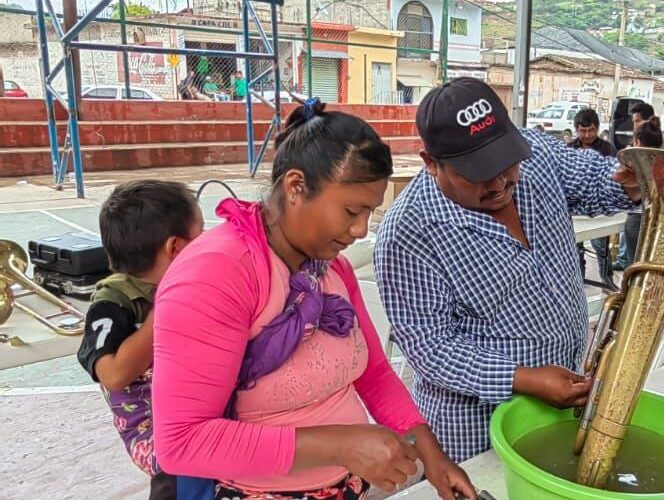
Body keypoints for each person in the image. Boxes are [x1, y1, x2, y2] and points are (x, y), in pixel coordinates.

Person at [152, 100, 475, 500]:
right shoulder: (217, 273)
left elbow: (373, 373)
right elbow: (182, 442)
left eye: (370, 213)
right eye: (351, 211)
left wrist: (433, 458)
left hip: (343, 487)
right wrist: (342, 445)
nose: (360, 230)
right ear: (295, 187)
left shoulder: (328, 268)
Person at [373, 77, 644, 462]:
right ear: (432, 163)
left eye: (506, 163)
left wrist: (631, 181)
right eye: (478, 172)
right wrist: (526, 379)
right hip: (472, 430)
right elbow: (432, 348)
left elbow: (595, 181)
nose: (501, 182)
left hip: (558, 405)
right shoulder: (409, 231)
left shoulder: (537, 156)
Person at [76, 180, 203, 500]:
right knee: (182, 478)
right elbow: (114, 374)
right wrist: (166, 307)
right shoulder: (113, 300)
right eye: (199, 238)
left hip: (195, 410)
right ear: (176, 247)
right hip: (156, 434)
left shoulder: (195, 284)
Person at [568, 108, 618, 289]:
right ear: (576, 130)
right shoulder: (569, 149)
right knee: (575, 247)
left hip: (599, 209)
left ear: (597, 129)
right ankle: (578, 282)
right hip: (575, 208)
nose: (587, 134)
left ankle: (606, 280)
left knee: (601, 246)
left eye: (591, 130)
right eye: (583, 131)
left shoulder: (607, 149)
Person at [614, 100, 658, 270]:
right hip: (640, 212)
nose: (634, 126)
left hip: (641, 214)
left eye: (637, 121)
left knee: (636, 267)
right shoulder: (639, 146)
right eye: (634, 122)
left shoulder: (644, 148)